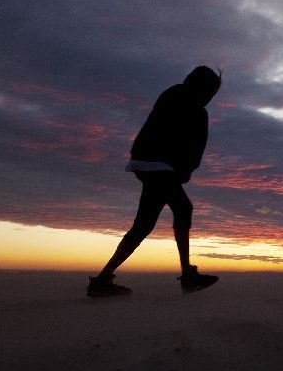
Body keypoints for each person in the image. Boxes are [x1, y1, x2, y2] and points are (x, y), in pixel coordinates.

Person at [87, 66, 222, 296]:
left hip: (144, 161)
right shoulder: (197, 110)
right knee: (181, 208)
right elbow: (193, 149)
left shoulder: (171, 93)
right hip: (159, 166)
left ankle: (102, 280)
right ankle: (187, 275)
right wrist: (184, 170)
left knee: (144, 225)